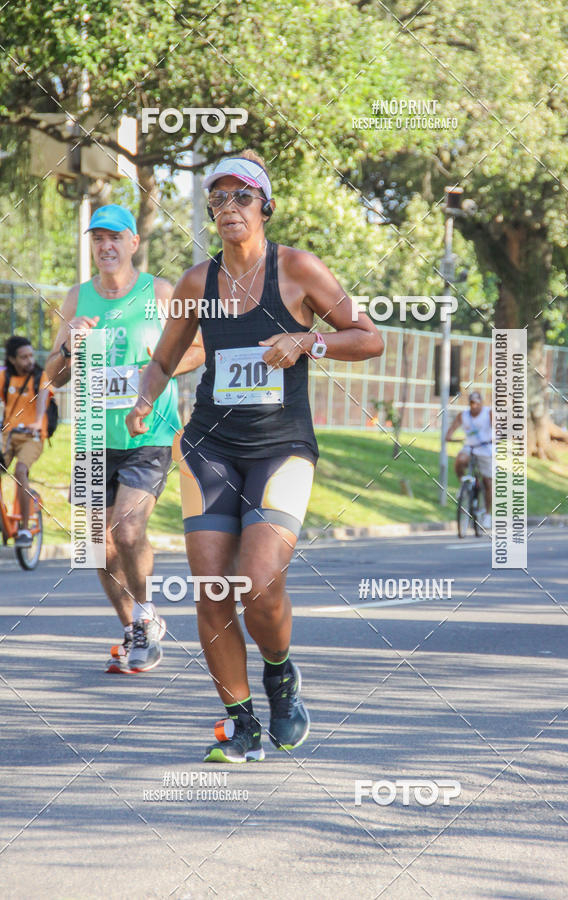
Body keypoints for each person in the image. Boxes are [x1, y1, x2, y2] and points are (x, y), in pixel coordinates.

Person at [126, 151, 384, 762]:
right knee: (213, 588)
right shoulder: (198, 283)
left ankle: (280, 675)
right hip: (209, 447)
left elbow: (369, 337)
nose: (228, 208)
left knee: (260, 582)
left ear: (264, 205)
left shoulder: (296, 270)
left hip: (281, 447)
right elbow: (164, 359)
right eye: (218, 198)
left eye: (241, 197)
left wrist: (306, 340)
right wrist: (143, 399)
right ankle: (240, 721)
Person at [46, 204, 204, 674]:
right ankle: (138, 622)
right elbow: (55, 377)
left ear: (134, 243)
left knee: (128, 530)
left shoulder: (157, 292)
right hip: (94, 435)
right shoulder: (76, 298)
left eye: (115, 238)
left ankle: (142, 616)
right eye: (97, 239)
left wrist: (152, 372)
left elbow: (198, 348)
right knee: (96, 544)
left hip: (147, 430)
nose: (106, 247)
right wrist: (69, 345)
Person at [0, 336, 52, 546]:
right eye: (24, 357)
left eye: (31, 355)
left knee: (21, 471)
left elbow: (41, 402)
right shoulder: (4, 377)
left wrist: (38, 422)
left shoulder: (40, 376)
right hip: (8, 434)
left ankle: (23, 530)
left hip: (32, 436)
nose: (29, 360)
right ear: (12, 359)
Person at [446, 390, 493, 528]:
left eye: (477, 403)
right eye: (472, 403)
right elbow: (451, 430)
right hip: (470, 447)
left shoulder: (488, 413)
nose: (474, 406)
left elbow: (498, 427)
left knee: (487, 481)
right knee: (460, 461)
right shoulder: (464, 416)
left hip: (486, 448)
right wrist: (449, 437)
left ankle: (487, 515)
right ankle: (464, 485)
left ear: (481, 403)